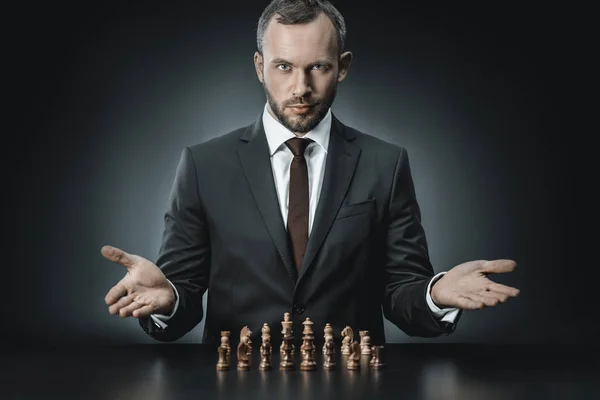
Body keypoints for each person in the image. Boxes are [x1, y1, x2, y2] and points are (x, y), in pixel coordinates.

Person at [101, 0, 519, 346]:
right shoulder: (203, 165)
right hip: (236, 385)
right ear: (259, 66)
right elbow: (183, 302)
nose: (300, 88)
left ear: (343, 66)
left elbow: (402, 295)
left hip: (355, 385)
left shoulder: (385, 164)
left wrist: (435, 294)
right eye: (284, 67)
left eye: (317, 67)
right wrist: (168, 297)